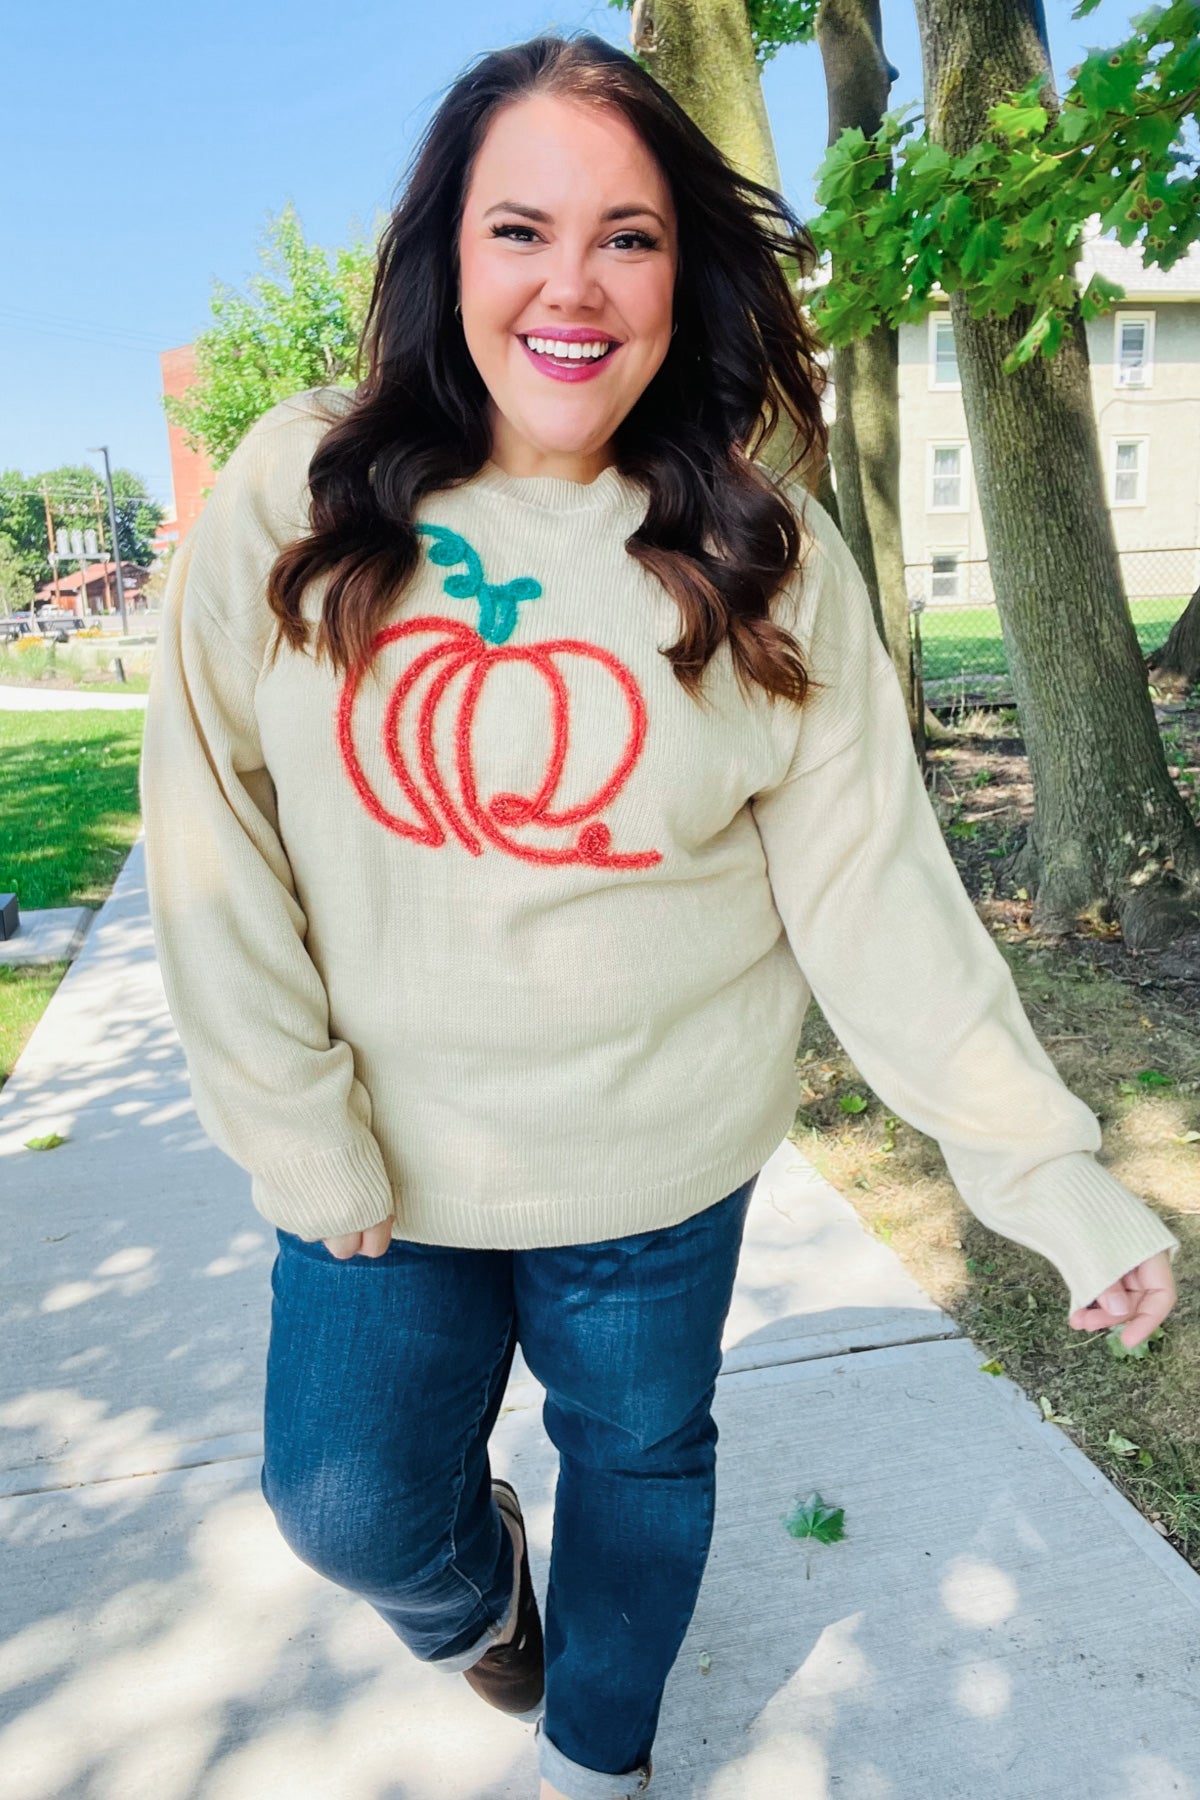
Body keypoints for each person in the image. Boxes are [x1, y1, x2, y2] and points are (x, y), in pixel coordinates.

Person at [138, 30, 1180, 1800]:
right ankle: (481, 1610)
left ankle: (595, 1758)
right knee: (347, 1506)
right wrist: (291, 1128)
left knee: (641, 1463)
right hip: (378, 1166)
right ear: (443, 257)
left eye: (627, 234)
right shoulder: (300, 486)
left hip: (659, 1166)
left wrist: (1045, 1172)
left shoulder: (755, 538)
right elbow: (212, 834)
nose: (574, 283)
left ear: (679, 267)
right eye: (520, 229)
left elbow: (877, 893)